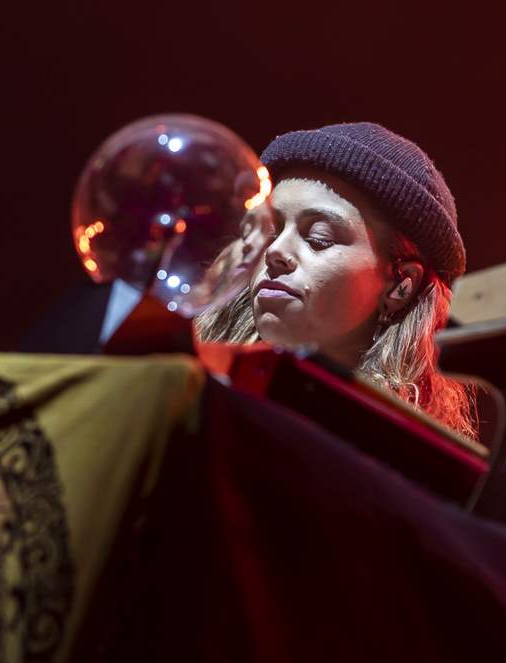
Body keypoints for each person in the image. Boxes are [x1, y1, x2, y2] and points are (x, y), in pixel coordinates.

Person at [197, 122, 476, 439]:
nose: (274, 251)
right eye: (269, 231)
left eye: (319, 238)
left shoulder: (402, 456)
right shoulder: (191, 388)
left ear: (401, 286)